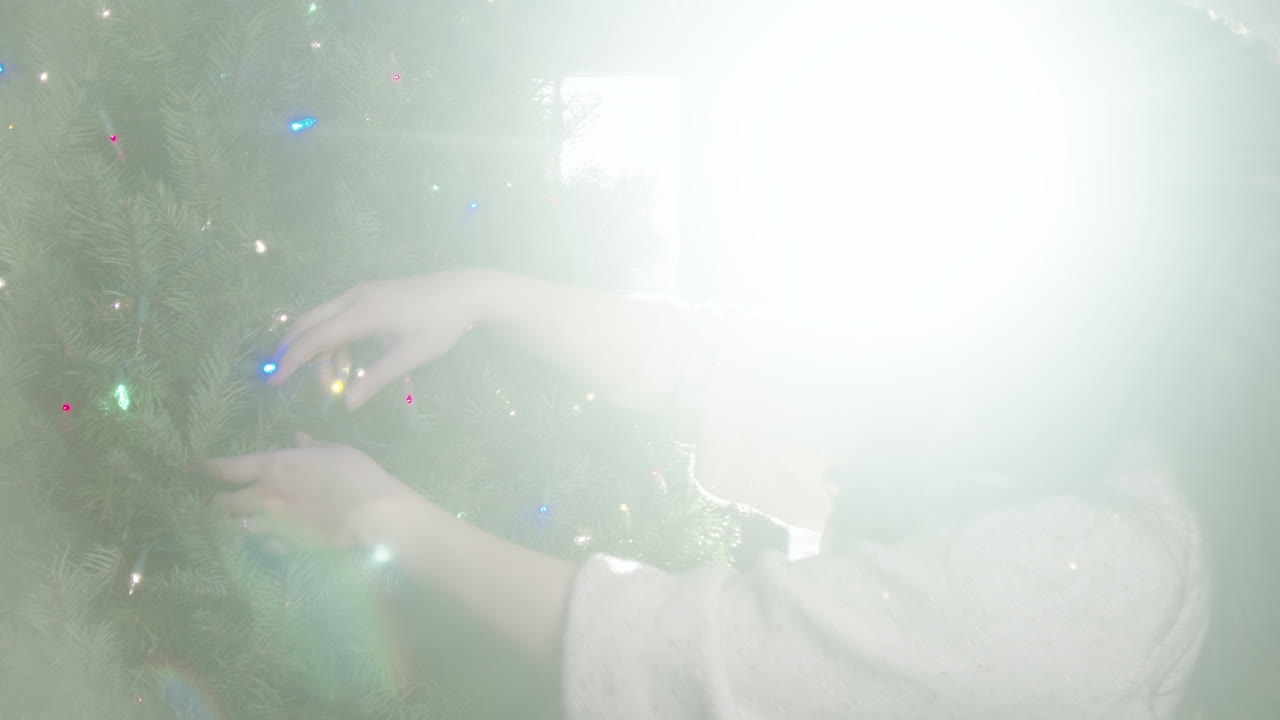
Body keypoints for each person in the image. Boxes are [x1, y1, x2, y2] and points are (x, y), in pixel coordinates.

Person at [205, 1, 1280, 717]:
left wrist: (376, 516)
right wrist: (491, 294)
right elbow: (743, 372)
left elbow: (694, 657)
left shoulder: (1104, 574)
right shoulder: (1076, 396)